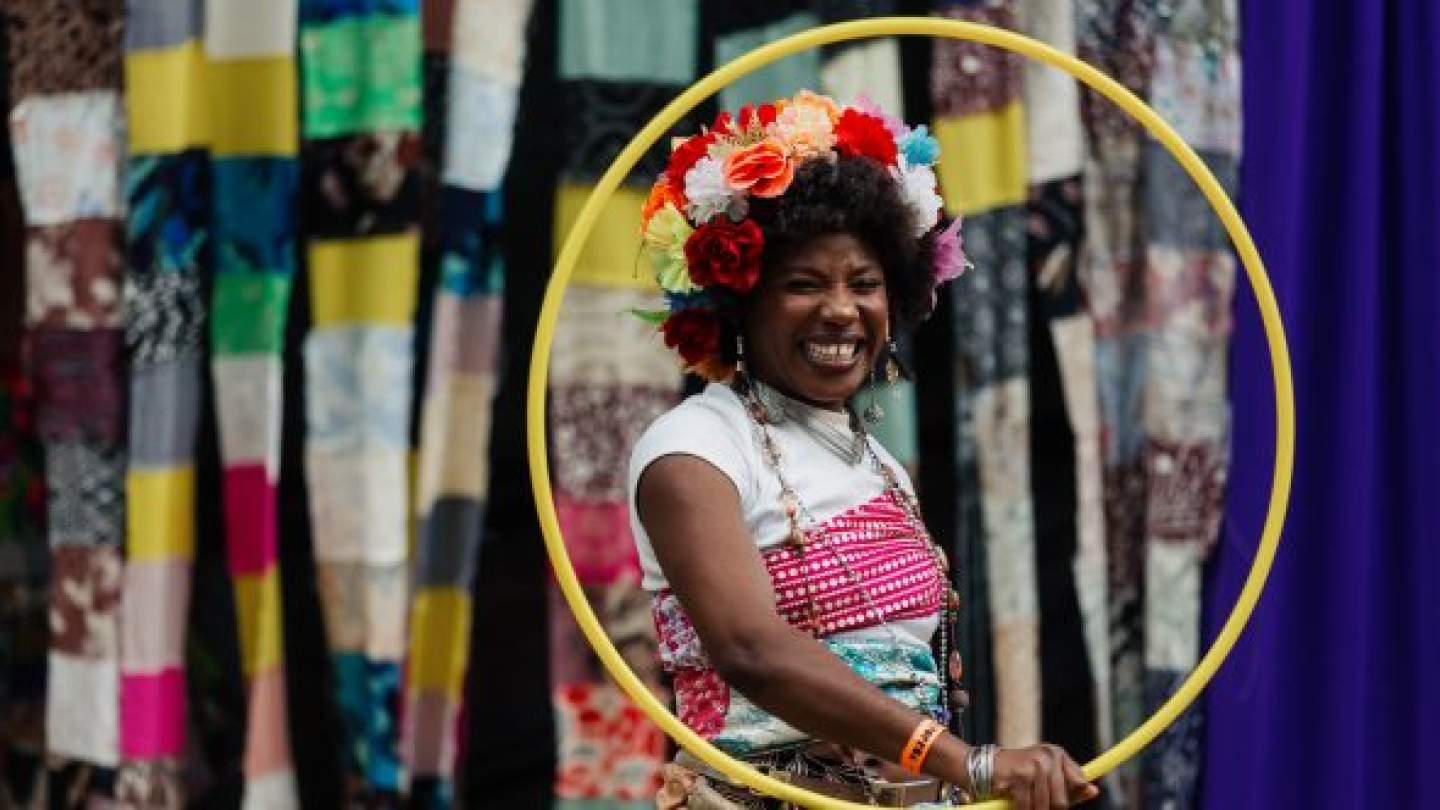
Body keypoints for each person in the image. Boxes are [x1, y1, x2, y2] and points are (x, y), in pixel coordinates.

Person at [628, 91, 1099, 809]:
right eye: (803, 284)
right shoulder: (694, 448)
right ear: (742, 303)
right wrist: (965, 762)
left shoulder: (881, 468)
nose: (842, 310)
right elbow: (752, 649)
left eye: (866, 284)